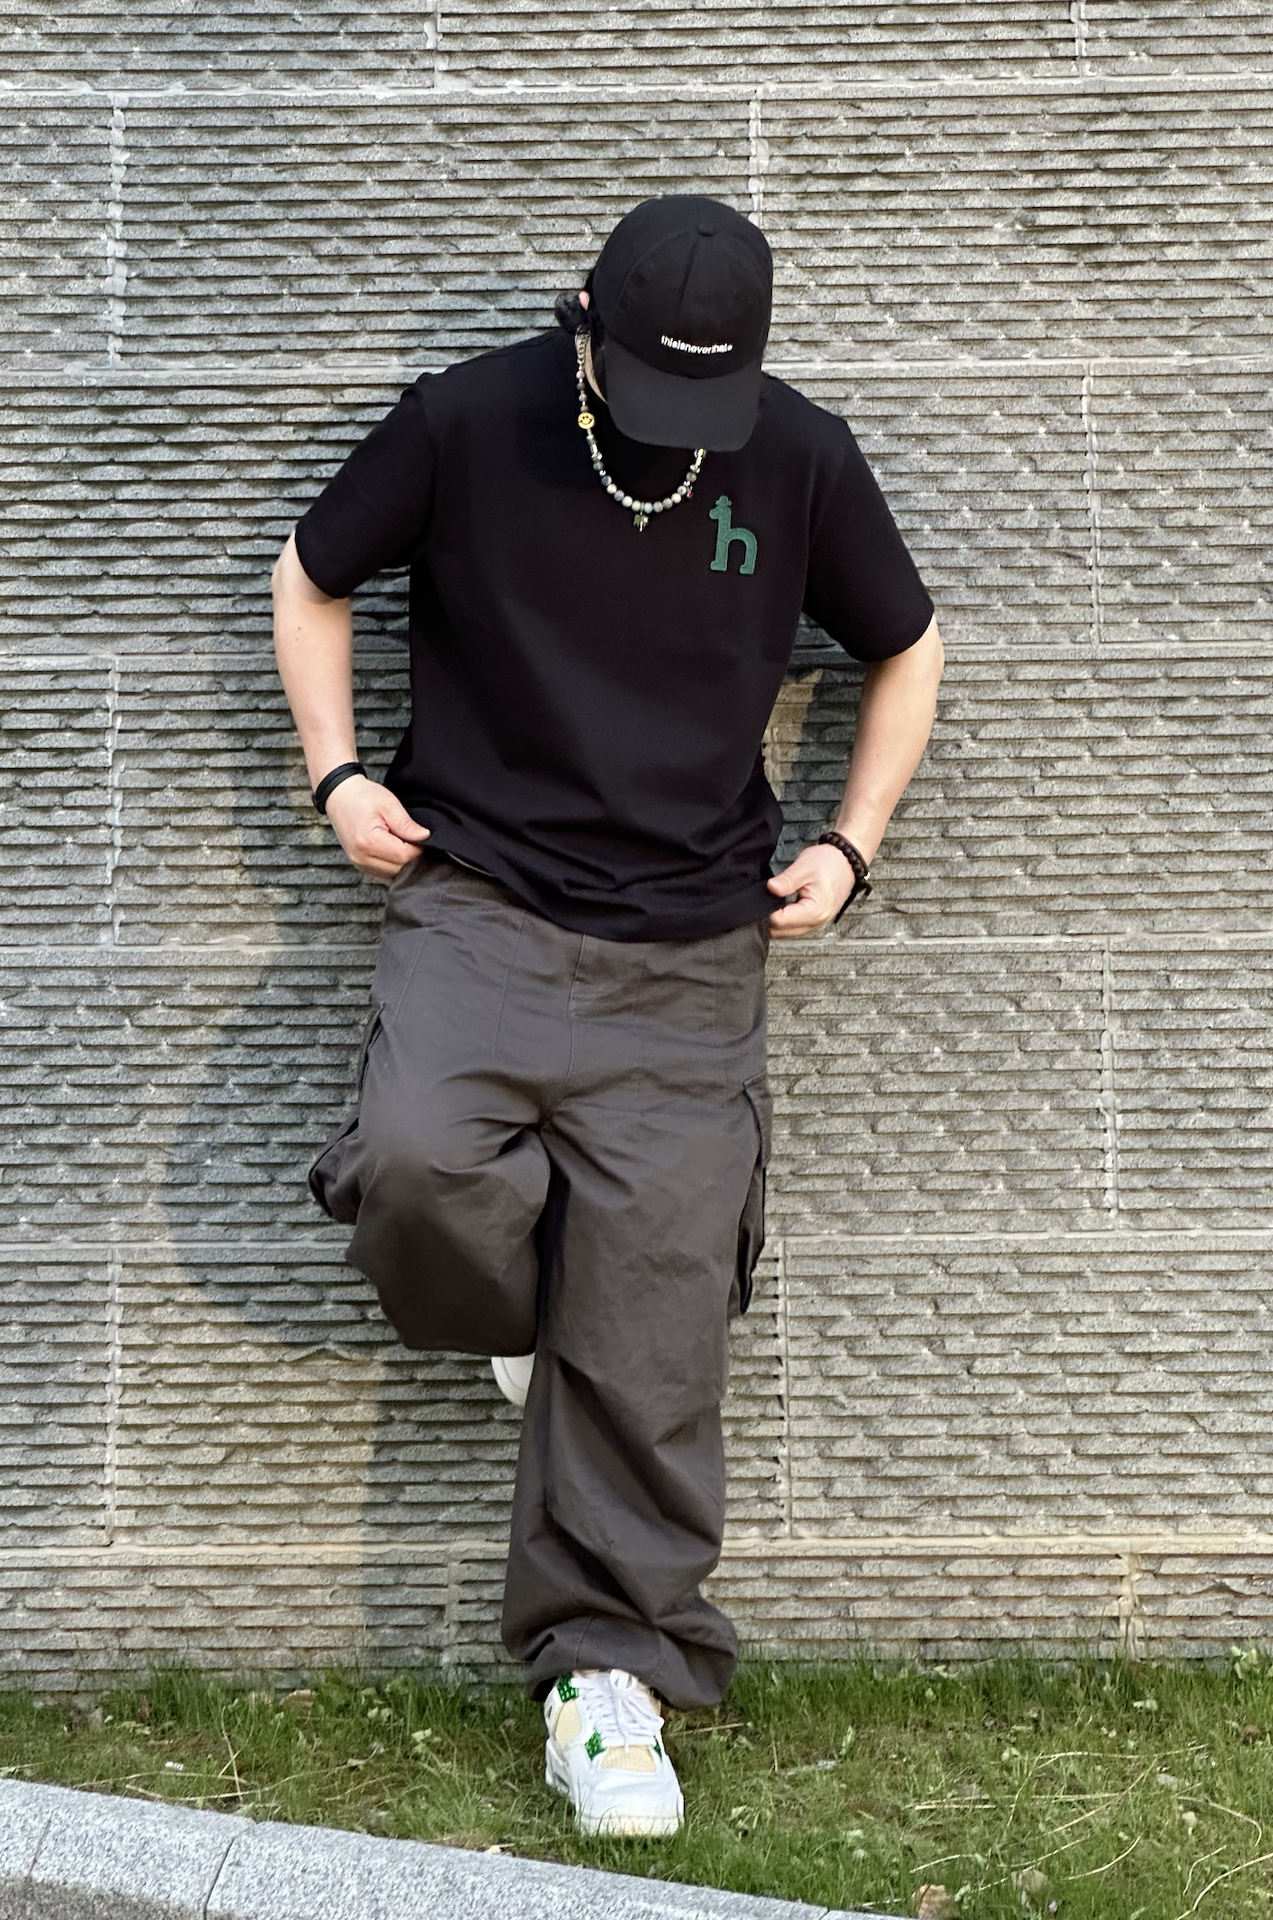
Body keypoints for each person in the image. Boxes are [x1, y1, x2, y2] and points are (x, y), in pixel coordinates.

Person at [271, 195, 942, 1838]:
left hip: (693, 944)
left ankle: (607, 1677)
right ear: (586, 320)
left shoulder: (799, 455)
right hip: (481, 902)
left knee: (658, 1315)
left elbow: (909, 645)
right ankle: (538, 1321)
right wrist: (336, 774)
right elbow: (309, 575)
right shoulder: (467, 419)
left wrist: (852, 842)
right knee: (417, 1168)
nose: (680, 424)